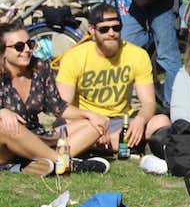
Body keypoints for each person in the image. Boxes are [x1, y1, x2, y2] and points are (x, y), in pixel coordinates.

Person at [56, 3, 172, 161]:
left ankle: (97, 145)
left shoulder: (137, 55)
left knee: (161, 121)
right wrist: (91, 117)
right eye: (104, 29)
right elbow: (62, 107)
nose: (111, 33)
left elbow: (149, 103)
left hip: (120, 122)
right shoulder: (74, 57)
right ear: (91, 30)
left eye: (116, 28)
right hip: (86, 121)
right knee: (61, 128)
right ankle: (121, 144)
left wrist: (140, 120)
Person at [0, 22, 109, 176]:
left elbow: (58, 107)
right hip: (6, 143)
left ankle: (35, 163)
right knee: (6, 127)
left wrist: (91, 115)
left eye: (29, 44)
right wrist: (2, 112)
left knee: (94, 126)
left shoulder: (39, 67)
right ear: (3, 51)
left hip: (35, 136)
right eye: (19, 46)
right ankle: (64, 163)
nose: (27, 50)